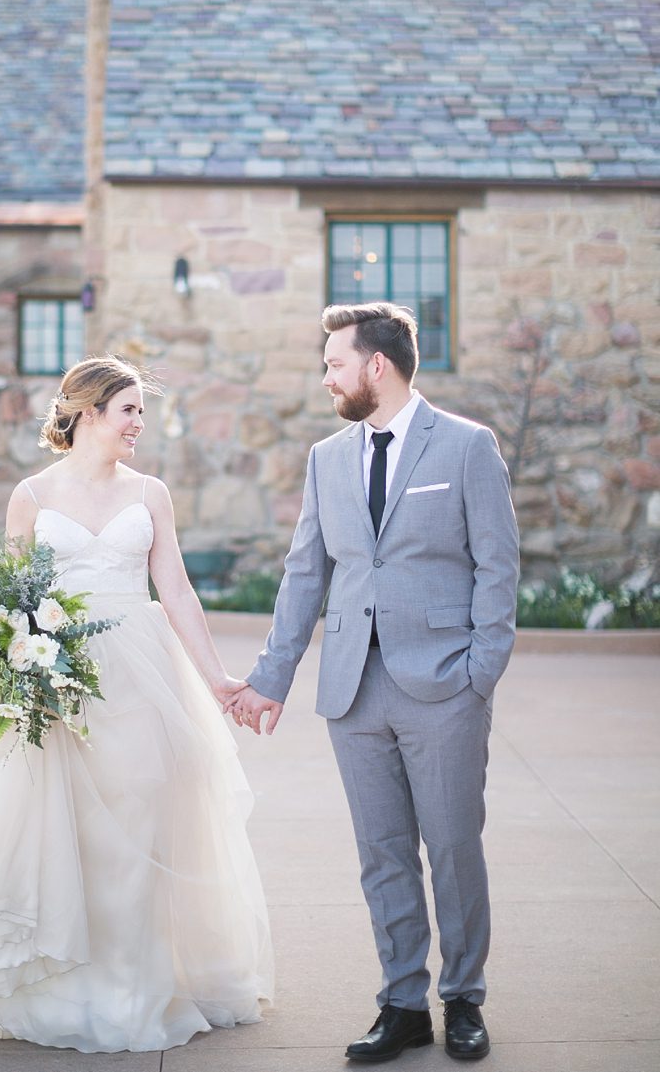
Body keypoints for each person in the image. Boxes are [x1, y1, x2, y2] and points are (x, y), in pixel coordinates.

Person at [0, 355, 274, 1052]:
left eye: (141, 412)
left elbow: (178, 591)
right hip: (58, 675)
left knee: (139, 818)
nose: (139, 424)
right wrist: (3, 667)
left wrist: (217, 676)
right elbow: (10, 597)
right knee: (66, 831)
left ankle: (133, 986)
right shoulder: (32, 495)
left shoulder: (152, 492)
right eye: (129, 409)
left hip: (140, 673)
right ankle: (69, 987)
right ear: (89, 412)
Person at [227, 302, 517, 1063]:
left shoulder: (465, 446)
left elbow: (499, 566)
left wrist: (480, 673)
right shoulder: (328, 458)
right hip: (354, 689)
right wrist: (271, 678)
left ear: (375, 365)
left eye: (334, 363)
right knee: (382, 851)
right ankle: (401, 1003)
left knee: (453, 845)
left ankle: (462, 999)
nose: (327, 376)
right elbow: (304, 577)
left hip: (446, 687)